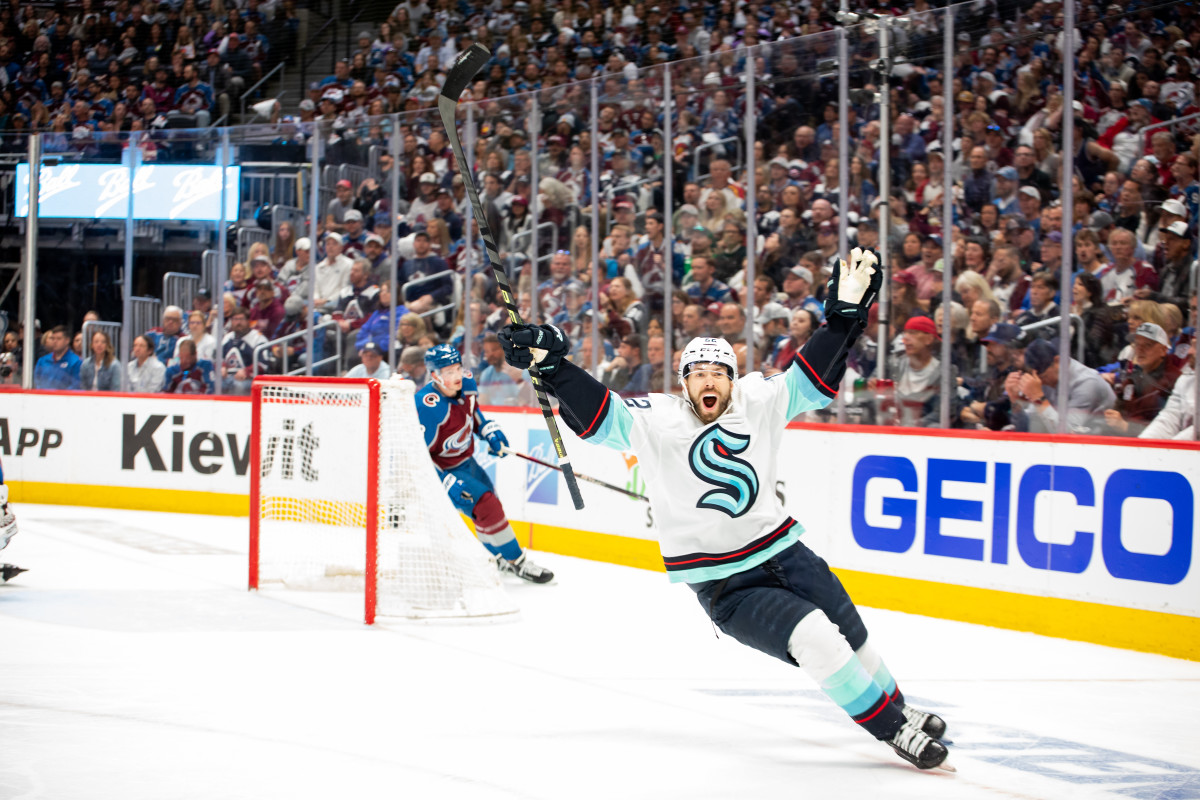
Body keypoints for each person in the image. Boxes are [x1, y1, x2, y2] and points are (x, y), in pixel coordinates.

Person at [497, 249, 951, 771]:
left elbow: (812, 378)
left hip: (785, 551)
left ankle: (898, 707)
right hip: (728, 584)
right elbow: (601, 415)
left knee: (853, 634)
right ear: (683, 381)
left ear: (733, 379)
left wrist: (843, 320)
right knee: (815, 637)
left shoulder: (758, 399)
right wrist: (556, 367)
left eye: (719, 372)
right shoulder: (656, 418)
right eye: (698, 373)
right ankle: (895, 732)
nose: (709, 381)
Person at [414, 344, 553, 584]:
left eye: (458, 368)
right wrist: (443, 480)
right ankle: (517, 562)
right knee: (488, 506)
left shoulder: (467, 384)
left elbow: (474, 414)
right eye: (448, 372)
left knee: (487, 510)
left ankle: (500, 558)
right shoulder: (426, 406)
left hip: (467, 461)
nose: (456, 375)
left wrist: (489, 431)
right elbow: (418, 455)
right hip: (443, 470)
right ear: (434, 375)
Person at [1011, 338, 1116, 433]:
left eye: (1044, 377)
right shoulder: (1042, 380)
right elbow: (1032, 428)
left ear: (1058, 361)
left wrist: (1039, 399)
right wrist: (1015, 400)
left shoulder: (1087, 383)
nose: (1042, 383)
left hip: (1102, 445)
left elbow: (1067, 434)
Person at [34, 326, 82, 390]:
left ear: (67, 340)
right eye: (53, 339)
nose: (55, 341)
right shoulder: (42, 360)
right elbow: (36, 382)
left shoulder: (76, 362)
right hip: (43, 398)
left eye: (58, 339)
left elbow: (76, 386)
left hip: (65, 398)